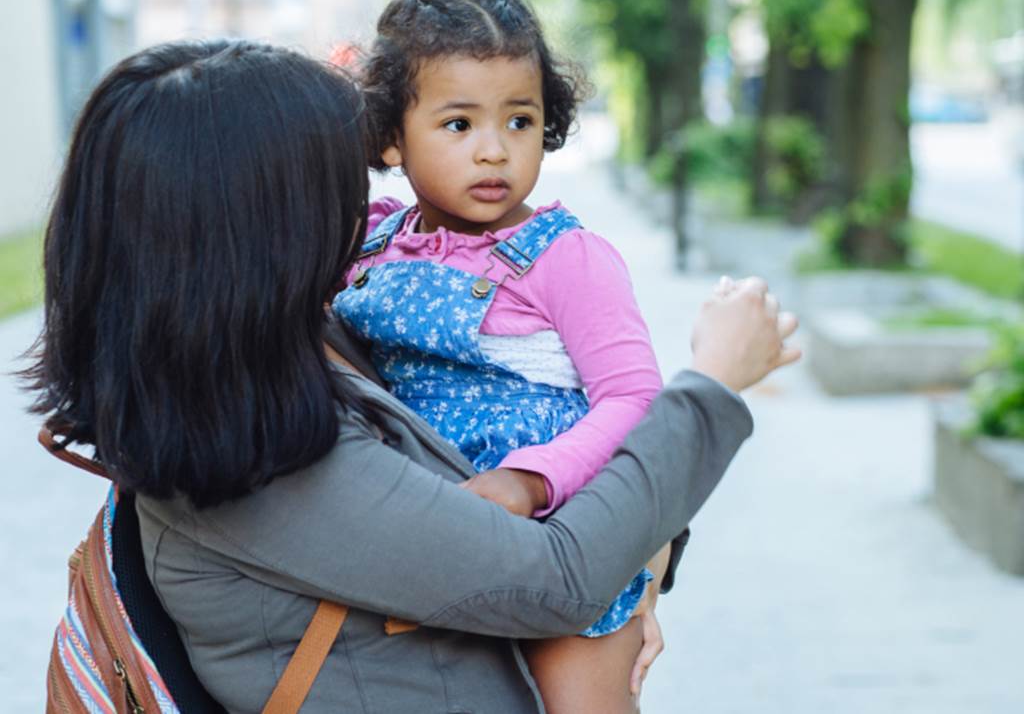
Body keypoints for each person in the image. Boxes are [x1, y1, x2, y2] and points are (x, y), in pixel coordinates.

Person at [26, 38, 798, 713]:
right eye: (337, 186)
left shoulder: (276, 361)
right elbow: (560, 580)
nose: (363, 208)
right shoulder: (253, 462)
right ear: (260, 233)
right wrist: (713, 384)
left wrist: (645, 557)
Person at [330, 0, 670, 711]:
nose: (494, 152)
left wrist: (530, 481)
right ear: (392, 134)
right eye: (459, 125)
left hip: (563, 537)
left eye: (519, 121)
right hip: (438, 538)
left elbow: (637, 400)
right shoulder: (374, 241)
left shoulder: (565, 256)